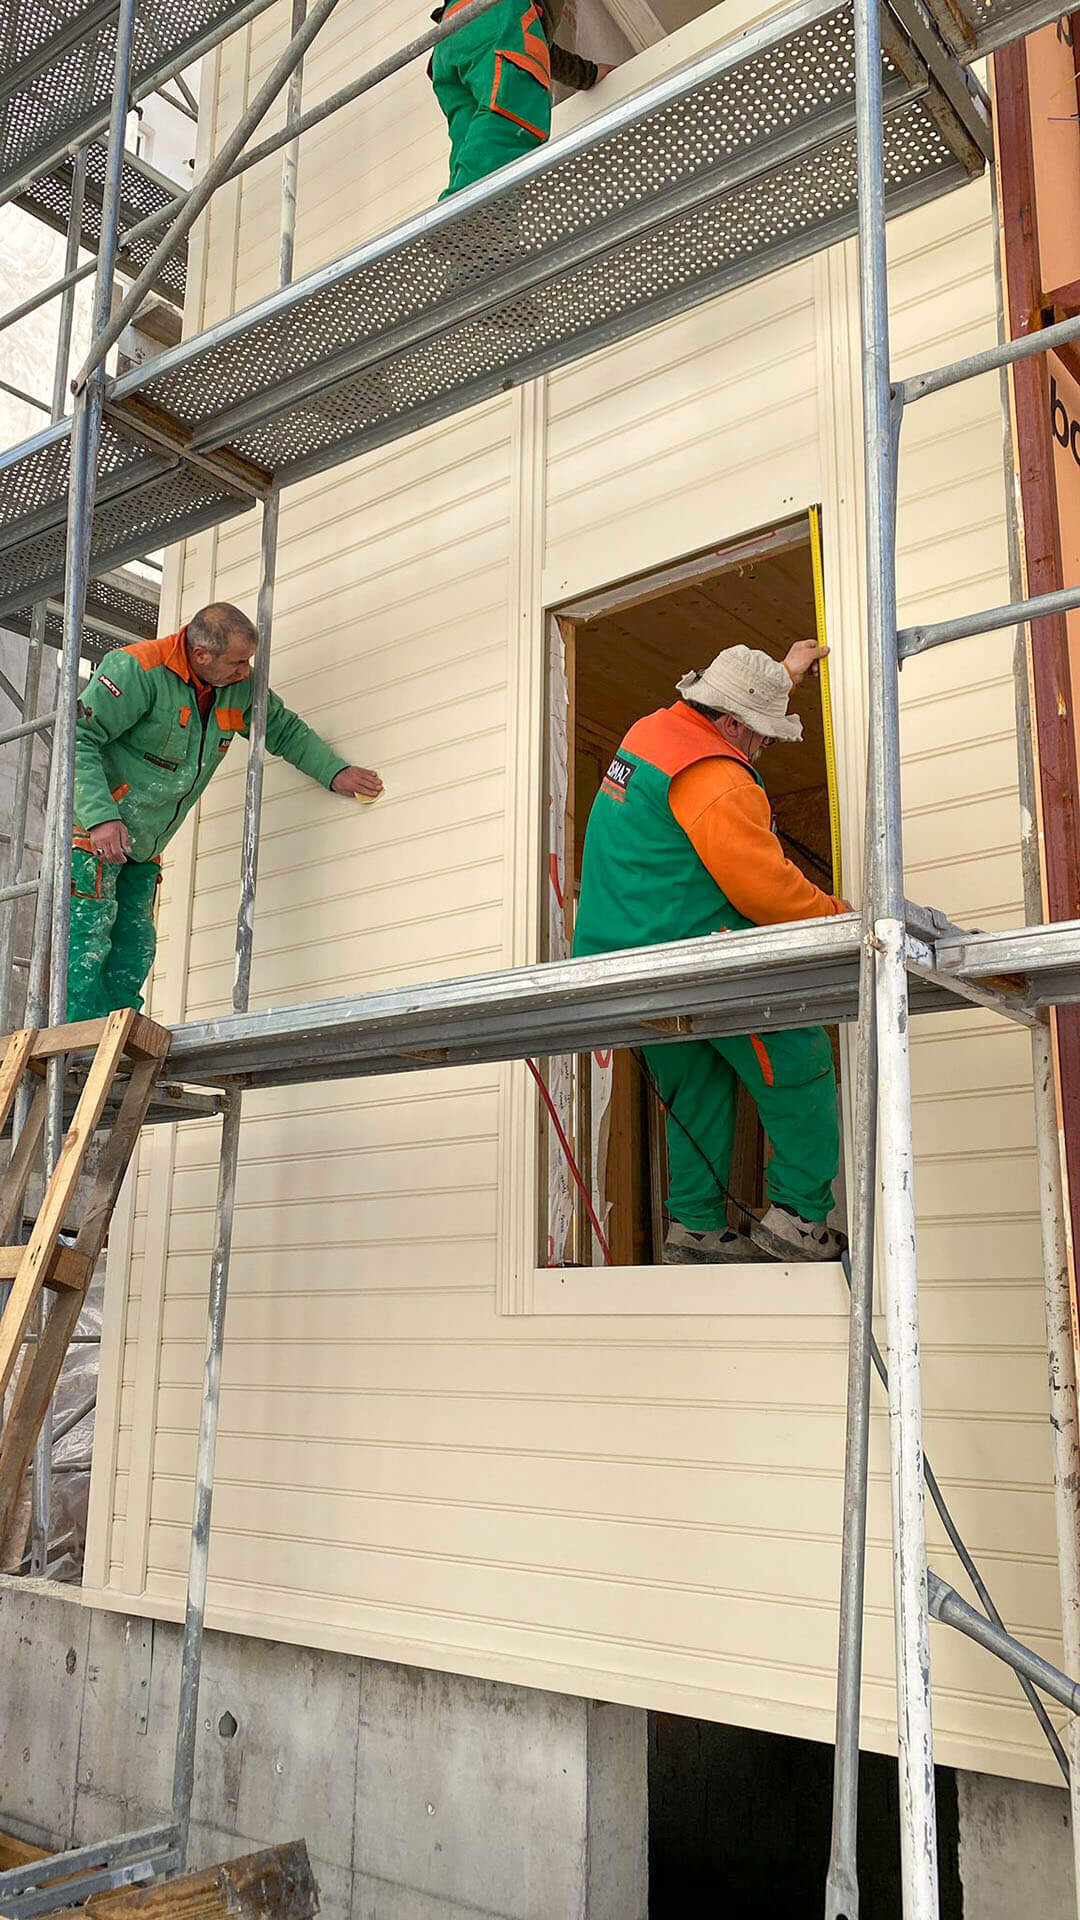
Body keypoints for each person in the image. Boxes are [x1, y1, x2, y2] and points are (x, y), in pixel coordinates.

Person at [573, 640, 850, 1265]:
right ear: (730, 722)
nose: (763, 750)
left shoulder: (652, 732)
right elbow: (766, 891)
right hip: (694, 953)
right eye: (763, 738)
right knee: (797, 1055)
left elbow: (741, 698)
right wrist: (840, 919)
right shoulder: (719, 778)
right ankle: (802, 1219)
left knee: (695, 1086)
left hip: (619, 966)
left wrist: (782, 675)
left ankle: (696, 1227)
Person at [67, 603, 383, 1023]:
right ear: (202, 656)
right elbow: (79, 736)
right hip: (93, 832)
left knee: (135, 942)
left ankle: (115, 1032)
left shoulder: (236, 686)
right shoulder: (137, 670)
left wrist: (334, 772)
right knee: (88, 935)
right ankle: (74, 1041)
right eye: (237, 662)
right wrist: (101, 817)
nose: (245, 671)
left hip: (145, 843)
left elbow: (282, 729)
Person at [429, 0, 613, 200]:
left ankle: (469, 215)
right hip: (496, 14)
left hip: (450, 35)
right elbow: (522, 34)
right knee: (509, 120)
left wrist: (589, 74)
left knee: (471, 140)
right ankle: (465, 217)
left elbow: (537, 43)